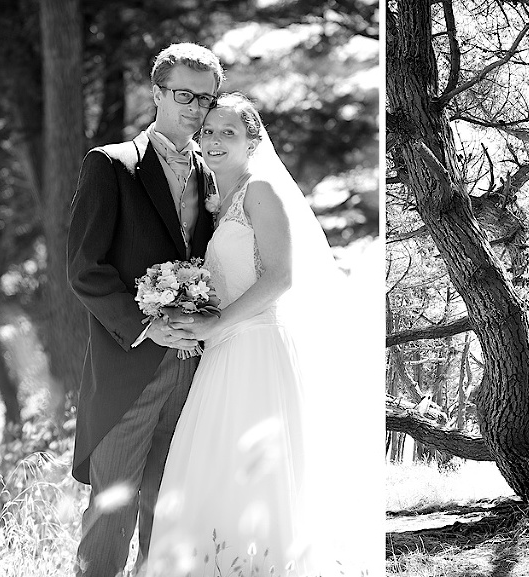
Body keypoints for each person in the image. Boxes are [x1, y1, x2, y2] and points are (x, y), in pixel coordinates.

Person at [146, 93, 372, 576]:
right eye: (208, 131)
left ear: (253, 141)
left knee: (253, 479)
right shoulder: (217, 202)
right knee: (215, 472)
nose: (214, 140)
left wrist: (216, 324)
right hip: (223, 351)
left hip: (257, 351)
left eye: (228, 132)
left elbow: (280, 278)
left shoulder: (260, 190)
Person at [67, 43, 224, 576]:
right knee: (113, 511)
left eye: (206, 99)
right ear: (156, 93)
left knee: (169, 507)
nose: (196, 109)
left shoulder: (217, 177)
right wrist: (147, 326)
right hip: (126, 369)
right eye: (184, 95)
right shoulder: (110, 166)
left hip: (196, 370)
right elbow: (85, 269)